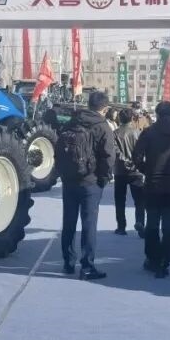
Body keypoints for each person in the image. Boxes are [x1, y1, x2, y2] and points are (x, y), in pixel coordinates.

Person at [56, 91, 116, 280]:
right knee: (89, 224)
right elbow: (109, 156)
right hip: (91, 182)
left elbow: (59, 148)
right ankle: (87, 267)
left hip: (69, 180)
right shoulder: (102, 126)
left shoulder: (71, 122)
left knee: (68, 222)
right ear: (104, 108)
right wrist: (104, 178)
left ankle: (68, 263)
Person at [133, 101, 170, 278]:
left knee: (152, 225)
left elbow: (136, 156)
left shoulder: (149, 132)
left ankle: (152, 259)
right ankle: (165, 260)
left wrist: (147, 170)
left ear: (158, 114)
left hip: (153, 185)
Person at [113, 108, 145, 237]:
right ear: (132, 118)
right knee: (140, 200)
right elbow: (141, 152)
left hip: (120, 171)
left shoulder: (115, 133)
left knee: (120, 201)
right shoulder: (138, 133)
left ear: (119, 119)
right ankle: (140, 222)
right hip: (136, 171)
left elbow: (114, 150)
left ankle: (121, 227)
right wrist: (135, 162)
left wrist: (124, 160)